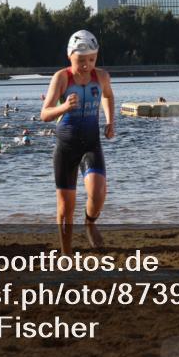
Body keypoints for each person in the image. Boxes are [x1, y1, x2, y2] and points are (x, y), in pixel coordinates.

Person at [41, 29, 115, 254]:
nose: (86, 65)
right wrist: (64, 107)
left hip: (91, 144)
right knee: (65, 209)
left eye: (91, 59)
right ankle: (66, 252)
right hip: (66, 147)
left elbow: (108, 96)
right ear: (69, 56)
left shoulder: (101, 76)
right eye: (81, 60)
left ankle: (90, 223)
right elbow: (45, 114)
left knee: (98, 192)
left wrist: (111, 121)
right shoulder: (62, 78)